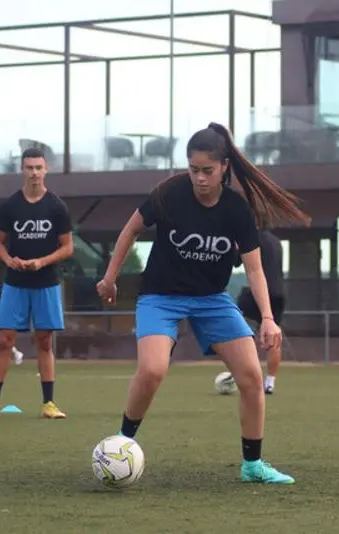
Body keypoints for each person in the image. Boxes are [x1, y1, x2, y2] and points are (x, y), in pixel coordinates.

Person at [95, 123, 311, 484]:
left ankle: (253, 466)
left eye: (207, 171)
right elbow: (131, 229)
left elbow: (255, 269)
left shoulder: (236, 210)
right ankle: (120, 447)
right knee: (152, 371)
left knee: (251, 377)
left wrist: (269, 319)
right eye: (194, 170)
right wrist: (109, 277)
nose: (199, 178)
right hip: (161, 297)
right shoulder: (169, 193)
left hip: (211, 300)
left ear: (224, 167)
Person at [0, 147, 74, 420]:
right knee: (5, 340)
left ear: (46, 169)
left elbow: (67, 248)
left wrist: (42, 261)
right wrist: (8, 260)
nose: (34, 173)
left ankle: (49, 404)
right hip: (16, 283)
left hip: (46, 283)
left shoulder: (57, 206)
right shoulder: (10, 206)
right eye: (29, 168)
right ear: (22, 170)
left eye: (39, 168)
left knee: (44, 341)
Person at [236, 228, 285, 394]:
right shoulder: (276, 241)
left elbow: (236, 260)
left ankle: (240, 363)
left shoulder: (252, 238)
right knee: (274, 337)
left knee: (232, 316)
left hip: (261, 292)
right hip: (279, 293)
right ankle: (270, 382)